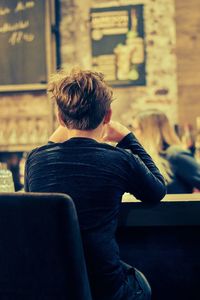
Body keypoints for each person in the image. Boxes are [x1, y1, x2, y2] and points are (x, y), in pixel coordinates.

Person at [25, 69, 166, 300]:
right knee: (140, 283)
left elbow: (40, 201)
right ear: (108, 115)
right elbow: (157, 190)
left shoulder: (35, 159)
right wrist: (127, 138)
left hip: (52, 287)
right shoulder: (120, 159)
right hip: (105, 289)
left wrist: (55, 139)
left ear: (60, 119)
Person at [132, 109, 200, 194]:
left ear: (150, 131)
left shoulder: (175, 155)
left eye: (136, 129)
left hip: (176, 207)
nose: (133, 133)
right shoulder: (147, 156)